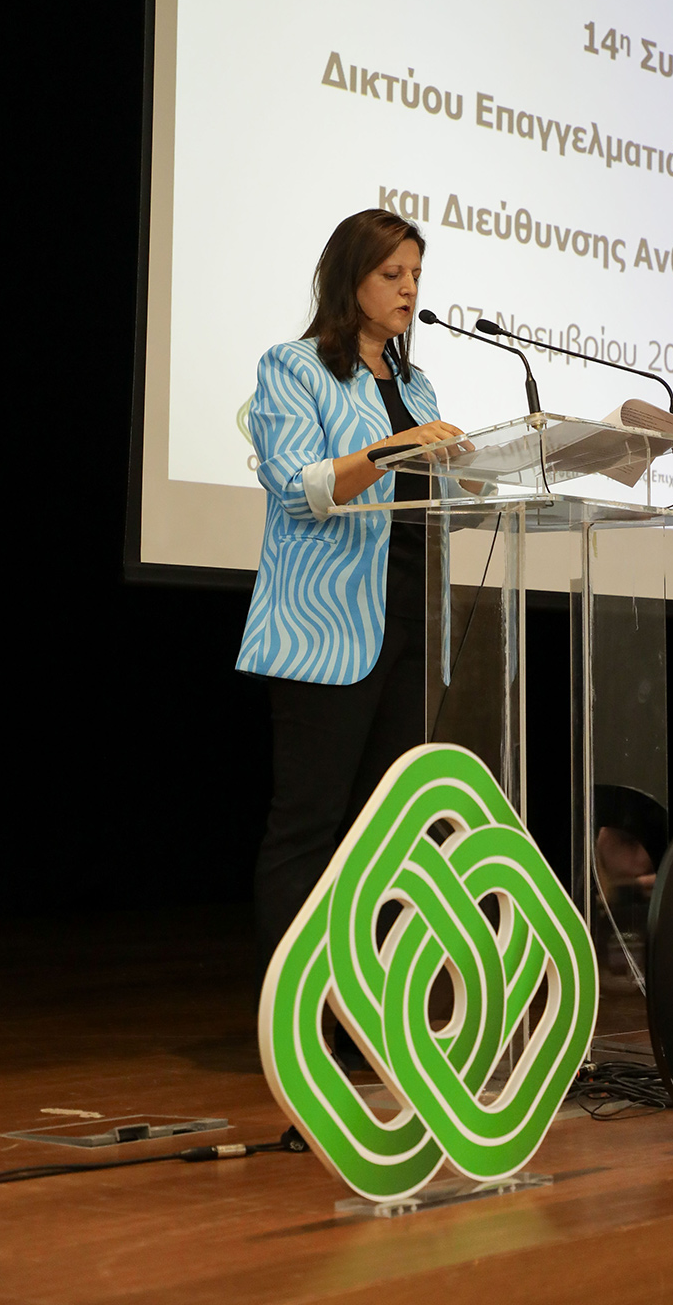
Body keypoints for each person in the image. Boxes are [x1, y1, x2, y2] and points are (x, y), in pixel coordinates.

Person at [238, 208, 463, 980]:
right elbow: (298, 487)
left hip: (414, 622)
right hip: (327, 628)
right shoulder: (295, 368)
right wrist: (393, 448)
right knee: (309, 825)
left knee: (390, 834)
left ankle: (369, 1009)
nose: (409, 290)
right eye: (392, 274)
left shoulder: (417, 386)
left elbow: (434, 496)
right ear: (349, 279)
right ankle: (293, 1013)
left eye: (416, 276)